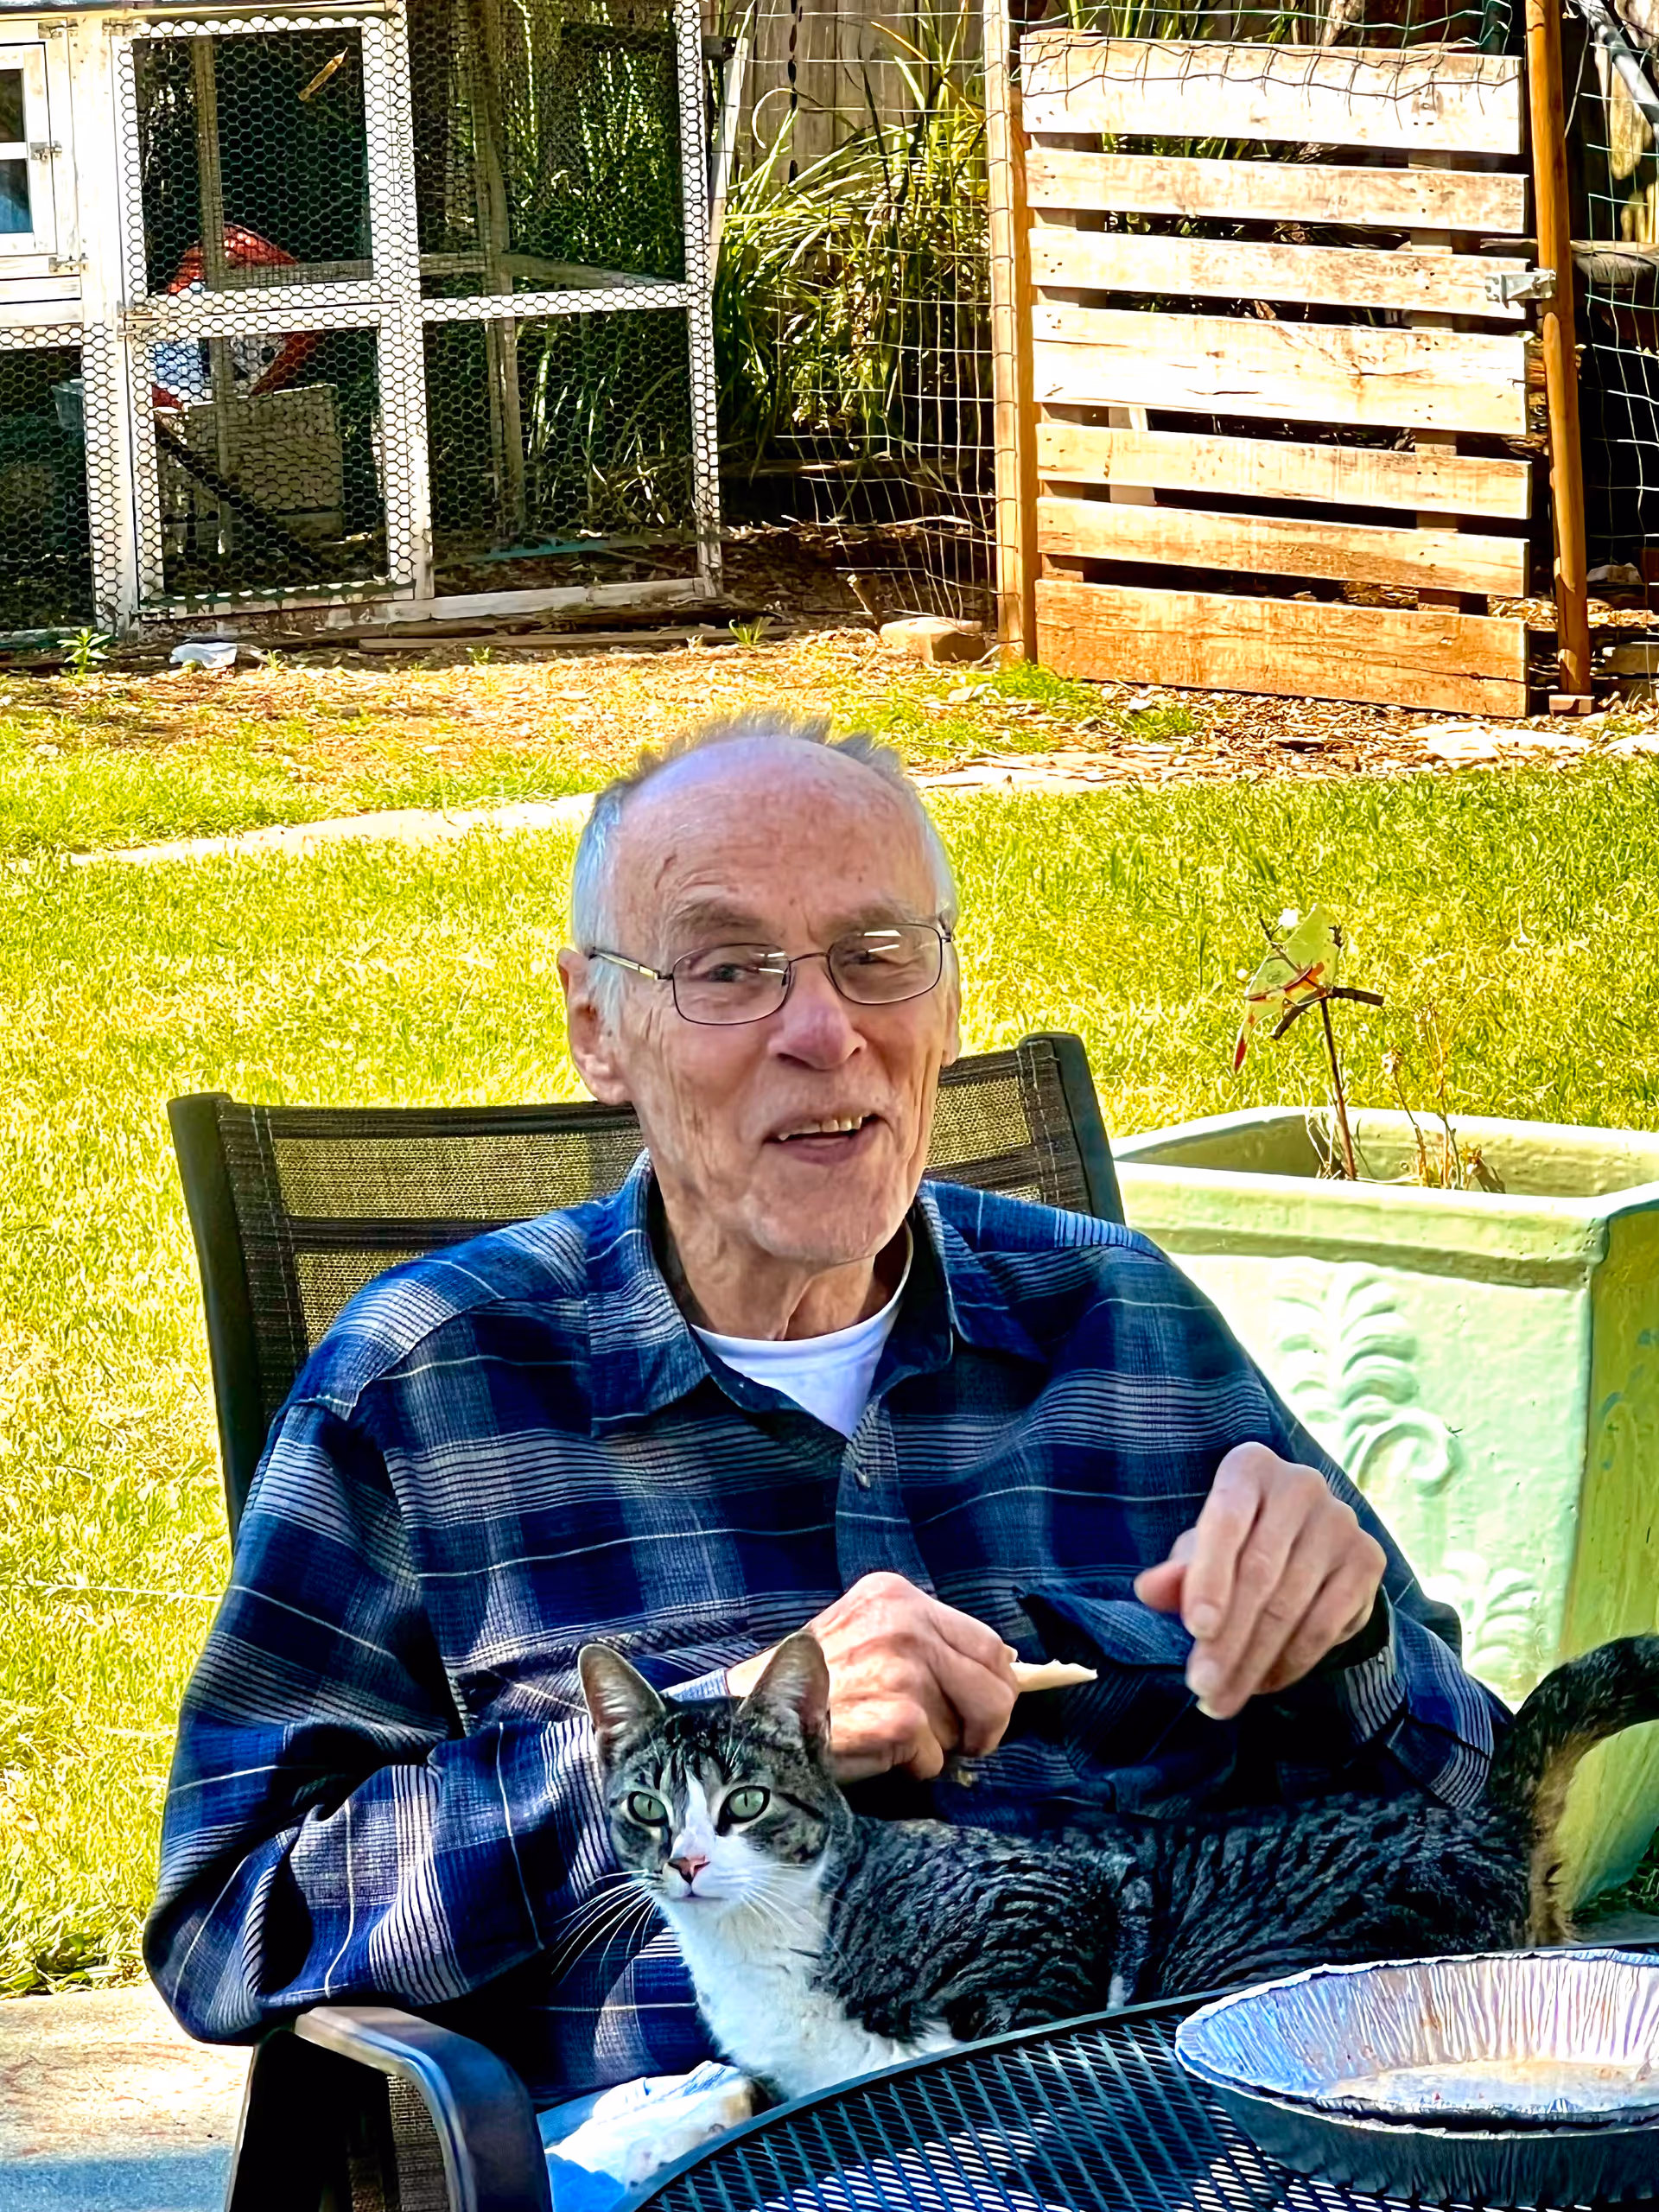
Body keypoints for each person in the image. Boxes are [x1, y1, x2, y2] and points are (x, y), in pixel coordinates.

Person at [146, 713, 1503, 2113]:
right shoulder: (428, 1390)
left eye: (876, 958)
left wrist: (1350, 1651)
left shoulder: (1123, 1326)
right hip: (755, 2167)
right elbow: (233, 1924)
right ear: (598, 1028)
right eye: (730, 970)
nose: (825, 1031)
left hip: (1212, 2135)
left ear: (950, 997)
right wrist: (715, 1729)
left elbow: (1495, 1808)